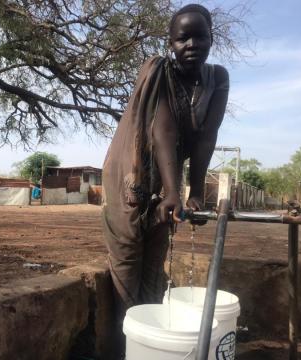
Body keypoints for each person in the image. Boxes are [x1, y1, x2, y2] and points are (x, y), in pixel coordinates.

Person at [101, 2, 229, 342]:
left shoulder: (217, 79)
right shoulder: (157, 71)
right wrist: (175, 191)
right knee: (129, 251)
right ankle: (124, 341)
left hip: (167, 173)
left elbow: (206, 137)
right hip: (130, 170)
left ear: (211, 39)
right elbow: (163, 131)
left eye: (199, 37)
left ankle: (153, 340)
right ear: (170, 43)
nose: (191, 45)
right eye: (182, 39)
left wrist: (196, 192)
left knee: (157, 251)